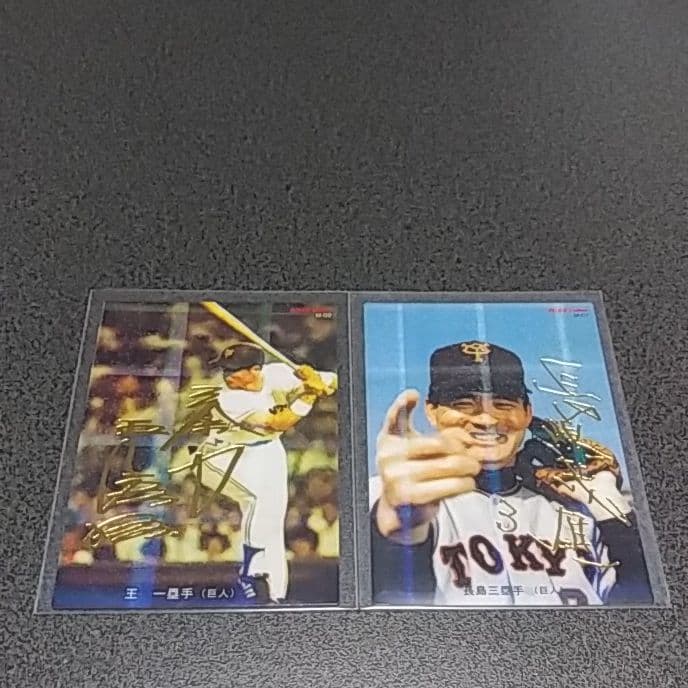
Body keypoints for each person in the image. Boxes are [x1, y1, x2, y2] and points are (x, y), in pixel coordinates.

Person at [370, 341, 652, 606]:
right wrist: (401, 530)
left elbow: (637, 610)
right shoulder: (390, 494)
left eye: (504, 403)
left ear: (528, 412)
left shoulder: (578, 510)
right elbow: (391, 597)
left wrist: (612, 511)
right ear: (431, 412)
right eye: (463, 403)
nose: (487, 419)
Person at [198, 343, 336, 601]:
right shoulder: (228, 398)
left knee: (273, 523)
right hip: (222, 456)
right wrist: (309, 395)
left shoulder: (278, 374)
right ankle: (252, 572)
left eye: (234, 370)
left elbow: (333, 380)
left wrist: (320, 382)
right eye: (225, 369)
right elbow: (278, 423)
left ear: (255, 370)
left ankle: (275, 595)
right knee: (256, 499)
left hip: (266, 452)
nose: (227, 375)